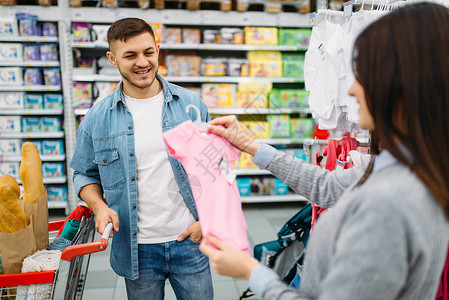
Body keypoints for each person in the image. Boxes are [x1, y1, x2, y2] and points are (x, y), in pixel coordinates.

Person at [200, 3, 449, 299]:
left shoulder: (386, 206)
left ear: (400, 86)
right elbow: (328, 186)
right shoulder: (412, 166)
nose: (351, 90)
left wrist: (252, 273)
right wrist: (249, 145)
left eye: (363, 74)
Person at [69, 18, 213, 300]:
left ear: (157, 50)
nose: (142, 62)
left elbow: (213, 170)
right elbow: (84, 174)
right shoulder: (96, 119)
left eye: (148, 52)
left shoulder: (192, 106)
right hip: (137, 249)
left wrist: (206, 220)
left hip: (190, 240)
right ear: (112, 59)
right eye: (130, 55)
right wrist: (98, 207)